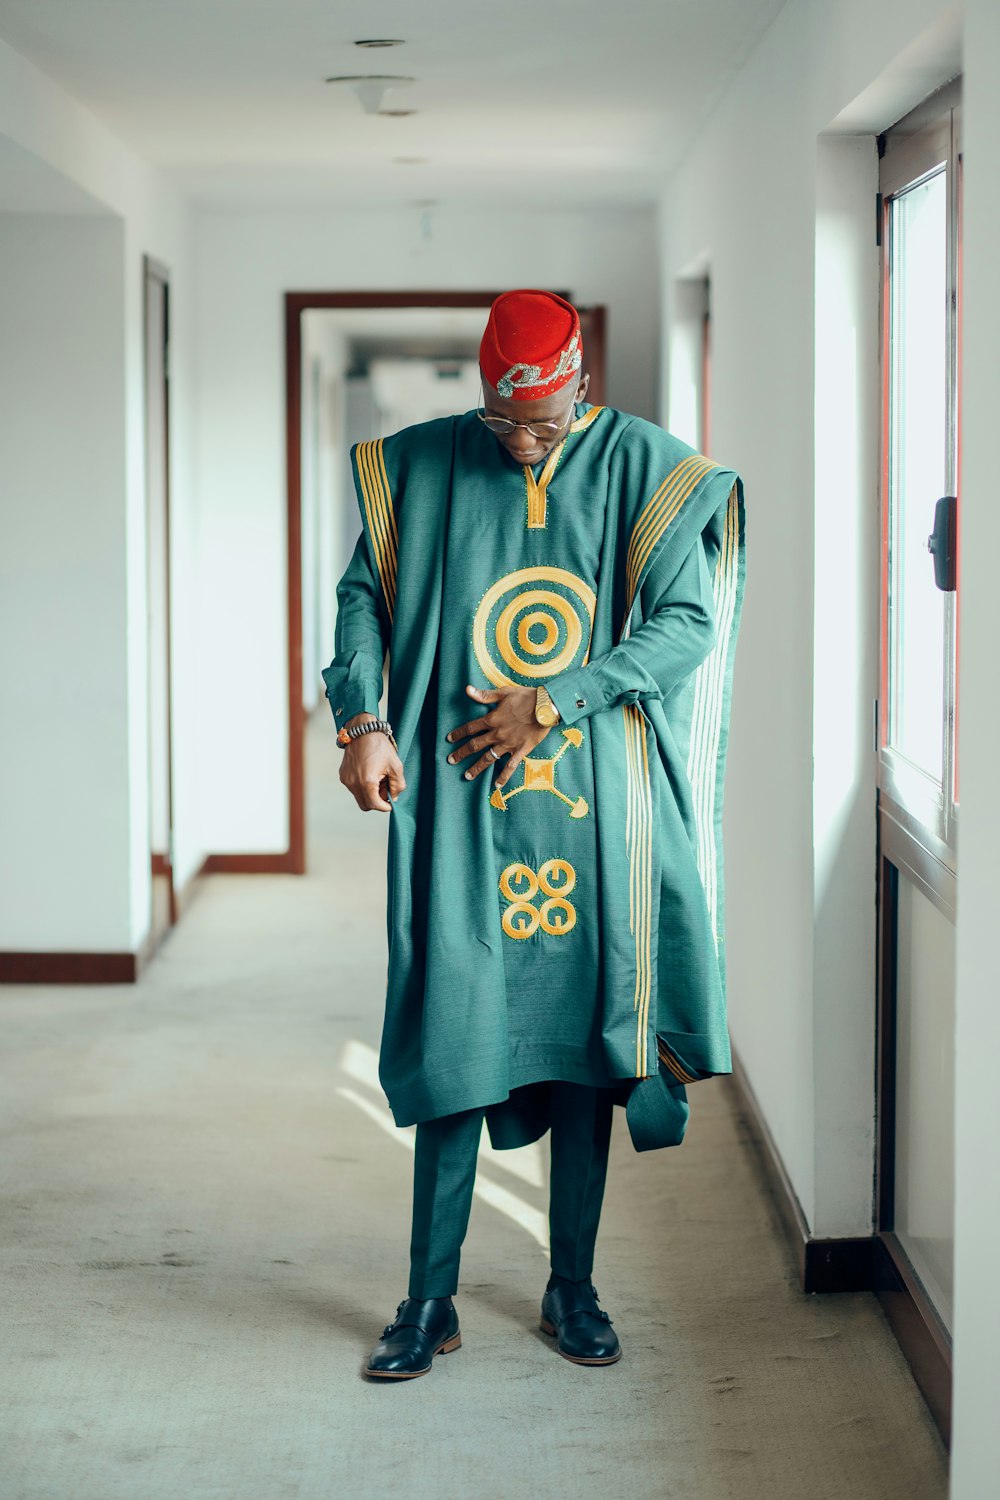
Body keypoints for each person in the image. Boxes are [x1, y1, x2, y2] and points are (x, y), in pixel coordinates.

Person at [321, 289, 745, 1380]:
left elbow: (685, 622)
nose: (520, 443)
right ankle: (427, 1301)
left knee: (581, 1053)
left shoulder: (645, 466)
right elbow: (362, 597)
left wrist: (560, 697)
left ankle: (572, 1287)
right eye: (505, 421)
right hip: (459, 803)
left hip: (593, 806)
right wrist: (363, 720)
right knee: (455, 1035)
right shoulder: (420, 463)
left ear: (581, 388)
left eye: (543, 426)